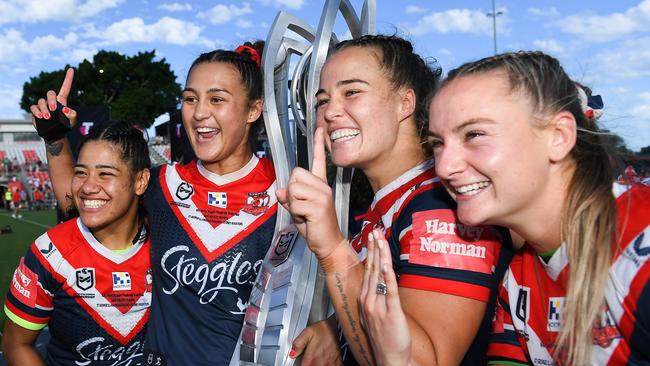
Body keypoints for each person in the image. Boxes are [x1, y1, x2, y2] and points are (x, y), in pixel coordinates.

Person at [278, 35, 512, 365]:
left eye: (352, 92)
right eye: (322, 100)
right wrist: (337, 328)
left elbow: (424, 361)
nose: (330, 111)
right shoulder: (390, 203)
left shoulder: (439, 206)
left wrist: (333, 251)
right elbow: (396, 303)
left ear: (405, 103)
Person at [38, 41, 277, 365]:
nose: (200, 112)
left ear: (253, 109)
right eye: (190, 99)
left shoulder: (285, 191)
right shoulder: (162, 184)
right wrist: (55, 139)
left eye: (217, 99)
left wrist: (325, 326)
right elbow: (76, 199)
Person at [425, 51, 650, 365]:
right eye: (437, 143)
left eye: (474, 134)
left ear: (558, 137)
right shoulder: (517, 282)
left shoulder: (639, 248)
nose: (445, 167)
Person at [2, 122, 152, 365]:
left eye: (106, 173)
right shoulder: (49, 253)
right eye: (81, 172)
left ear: (141, 180)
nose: (88, 186)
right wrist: (54, 137)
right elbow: (16, 344)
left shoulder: (167, 242)